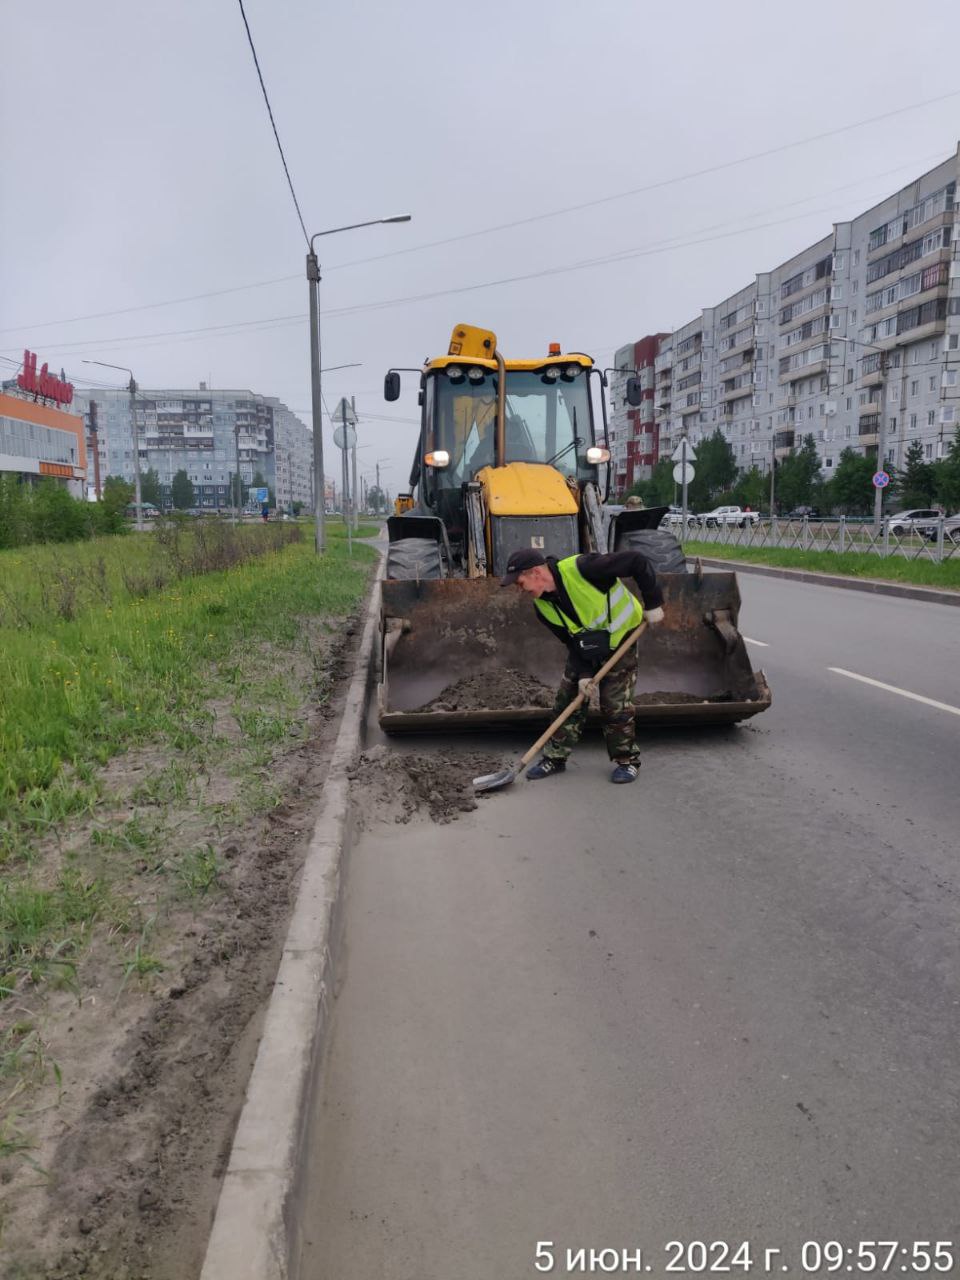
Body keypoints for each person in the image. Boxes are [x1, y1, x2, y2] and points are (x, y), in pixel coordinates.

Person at [501, 548, 664, 784]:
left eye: (519, 582)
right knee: (567, 698)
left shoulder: (584, 568)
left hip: (622, 639)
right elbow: (571, 641)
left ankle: (626, 761)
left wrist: (653, 602)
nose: (519, 589)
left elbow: (637, 560)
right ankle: (555, 758)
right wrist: (585, 674)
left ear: (535, 572)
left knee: (614, 704)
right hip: (586, 649)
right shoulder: (543, 607)